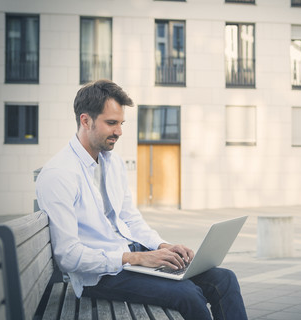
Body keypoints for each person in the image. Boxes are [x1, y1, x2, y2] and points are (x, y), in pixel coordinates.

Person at [36, 79, 247, 320]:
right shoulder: (59, 174)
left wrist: (161, 246)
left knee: (224, 279)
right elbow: (68, 256)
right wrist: (136, 258)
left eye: (121, 123)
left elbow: (130, 219)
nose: (119, 131)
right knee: (188, 293)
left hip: (132, 260)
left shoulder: (111, 162)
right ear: (86, 120)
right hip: (101, 276)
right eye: (111, 123)